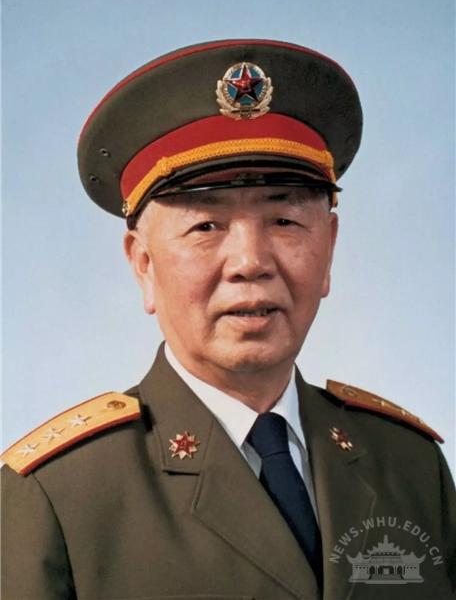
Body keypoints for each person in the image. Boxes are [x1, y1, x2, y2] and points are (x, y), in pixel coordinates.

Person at [2, 39, 455, 600]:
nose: (250, 262)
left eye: (284, 220)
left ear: (330, 248)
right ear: (144, 265)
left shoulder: (410, 465)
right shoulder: (58, 494)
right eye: (206, 227)